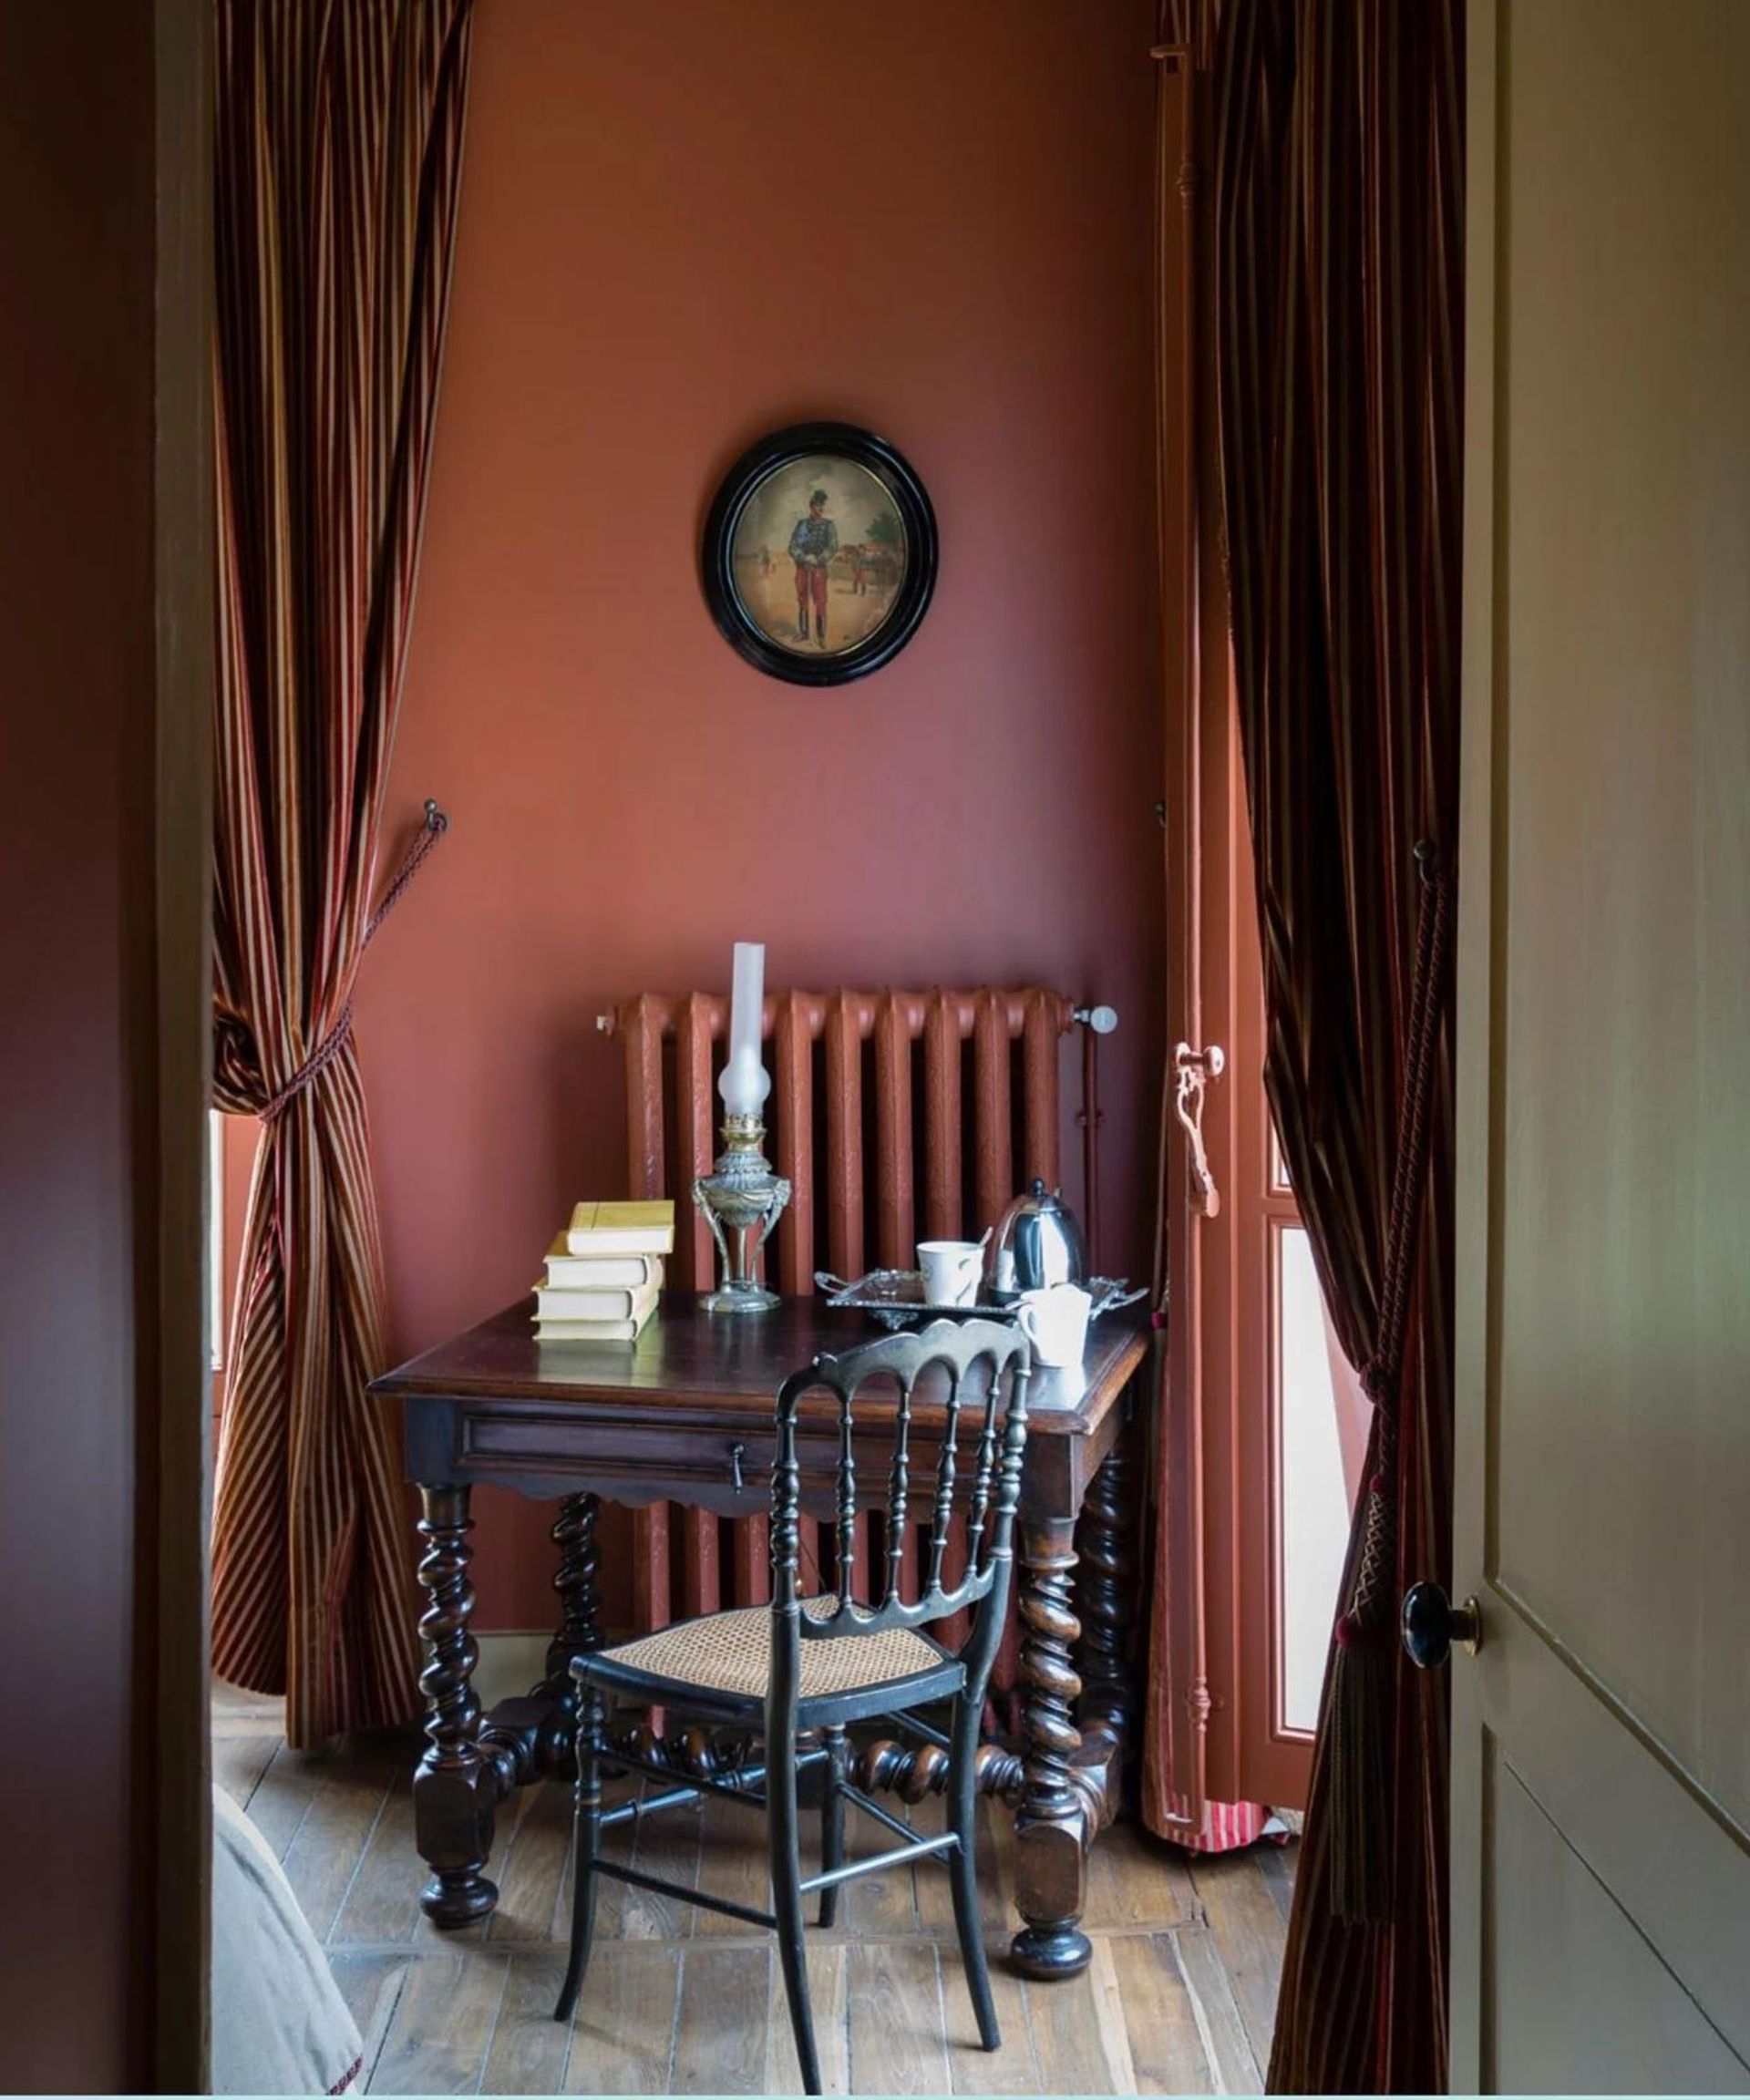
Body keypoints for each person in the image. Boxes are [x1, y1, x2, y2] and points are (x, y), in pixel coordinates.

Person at [788, 487, 838, 645]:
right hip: (803, 567)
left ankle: (821, 636)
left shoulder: (829, 525)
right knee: (802, 599)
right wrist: (804, 557)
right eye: (817, 505)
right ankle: (803, 633)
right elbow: (793, 546)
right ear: (811, 505)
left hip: (819, 568)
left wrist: (818, 559)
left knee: (821, 600)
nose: (821, 508)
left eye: (822, 505)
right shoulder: (802, 525)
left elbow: (832, 547)